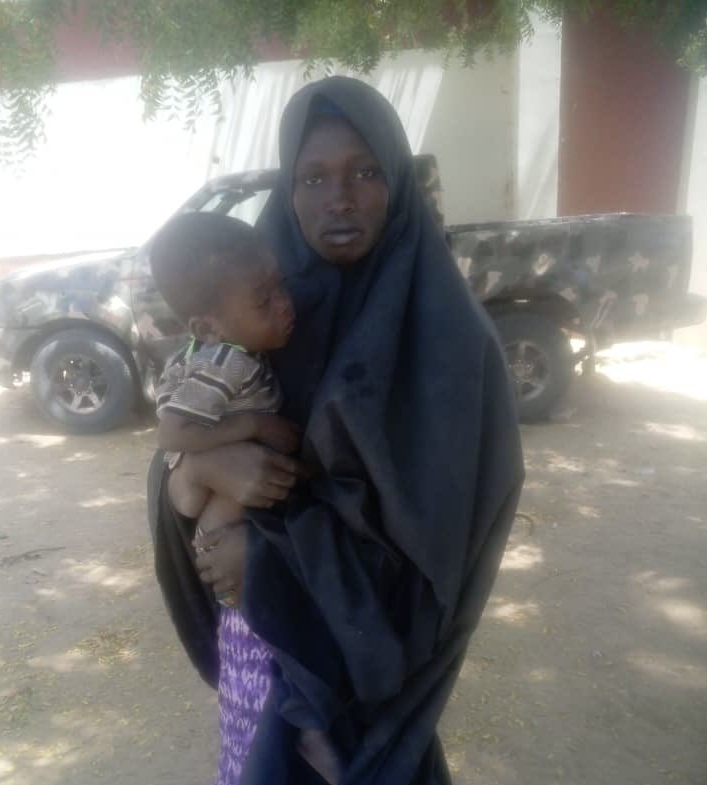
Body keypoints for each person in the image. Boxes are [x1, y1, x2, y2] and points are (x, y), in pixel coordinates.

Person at [147, 76, 525, 785]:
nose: (339, 197)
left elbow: (437, 539)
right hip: (261, 650)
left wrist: (264, 559)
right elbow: (180, 443)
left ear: (398, 181)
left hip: (369, 657)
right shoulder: (257, 295)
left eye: (365, 172)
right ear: (287, 190)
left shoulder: (448, 338)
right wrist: (198, 474)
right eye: (312, 176)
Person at [149, 212, 299, 567]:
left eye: (282, 285)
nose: (284, 303)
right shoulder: (225, 363)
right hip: (215, 483)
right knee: (224, 523)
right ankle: (231, 605)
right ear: (208, 329)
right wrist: (256, 426)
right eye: (263, 301)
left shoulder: (237, 353)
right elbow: (171, 433)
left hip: (219, 473)